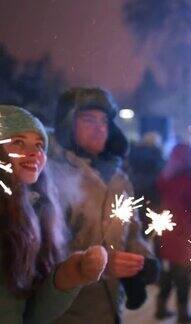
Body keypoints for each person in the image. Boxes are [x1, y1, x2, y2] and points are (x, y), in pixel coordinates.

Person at [50, 87, 159, 323]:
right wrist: (99, 264)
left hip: (110, 309)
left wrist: (143, 262)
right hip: (65, 313)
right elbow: (39, 253)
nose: (100, 128)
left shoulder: (119, 179)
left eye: (104, 121)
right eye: (88, 120)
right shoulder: (50, 177)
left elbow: (132, 232)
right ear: (68, 124)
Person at [0, 105, 108, 323]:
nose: (34, 153)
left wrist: (69, 276)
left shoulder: (34, 213)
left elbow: (29, 314)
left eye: (39, 145)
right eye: (18, 142)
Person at [155, 143, 191, 323]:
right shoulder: (187, 181)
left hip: (168, 233)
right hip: (184, 234)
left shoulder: (166, 179)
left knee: (170, 272)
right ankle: (183, 313)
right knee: (183, 276)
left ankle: (160, 307)